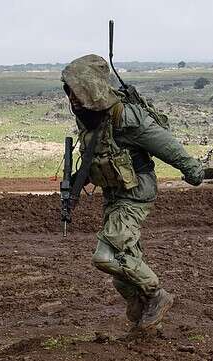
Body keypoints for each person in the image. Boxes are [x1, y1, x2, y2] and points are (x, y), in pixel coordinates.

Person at [61, 54, 204, 331]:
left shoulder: (125, 116)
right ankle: (143, 317)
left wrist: (193, 171)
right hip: (114, 196)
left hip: (136, 194)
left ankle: (156, 294)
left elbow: (164, 143)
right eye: (70, 93)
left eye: (78, 92)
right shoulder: (89, 119)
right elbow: (96, 155)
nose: (74, 100)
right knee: (122, 273)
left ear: (92, 89)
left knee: (106, 256)